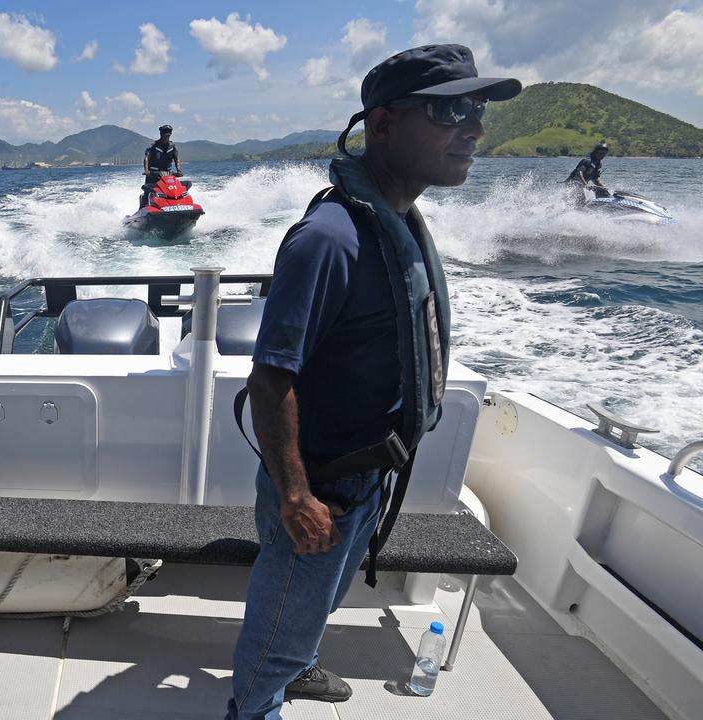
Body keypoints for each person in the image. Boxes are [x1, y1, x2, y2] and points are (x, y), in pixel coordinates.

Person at [226, 45, 520, 719]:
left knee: (313, 606)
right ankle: (255, 705)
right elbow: (271, 380)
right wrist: (297, 495)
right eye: (450, 109)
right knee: (279, 627)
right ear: (382, 126)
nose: (473, 127)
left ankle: (293, 669)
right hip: (321, 483)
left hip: (368, 477)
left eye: (476, 110)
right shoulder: (330, 240)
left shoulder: (399, 225)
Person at [140, 124, 181, 208]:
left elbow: (177, 159)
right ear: (161, 135)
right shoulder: (153, 146)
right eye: (165, 135)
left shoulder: (172, 146)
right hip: (153, 174)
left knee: (173, 191)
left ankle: (176, 206)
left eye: (168, 135)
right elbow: (146, 158)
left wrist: (179, 170)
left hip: (168, 175)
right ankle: (141, 210)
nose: (166, 137)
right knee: (147, 192)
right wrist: (147, 170)